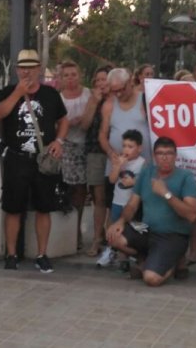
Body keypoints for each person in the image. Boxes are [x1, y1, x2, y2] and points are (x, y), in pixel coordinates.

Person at [0, 49, 69, 272]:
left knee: (43, 208)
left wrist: (59, 141)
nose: (27, 71)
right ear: (17, 70)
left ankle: (42, 253)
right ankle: (11, 254)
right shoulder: (8, 91)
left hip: (42, 159)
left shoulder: (50, 94)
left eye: (31, 67)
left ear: (39, 69)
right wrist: (18, 93)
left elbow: (63, 119)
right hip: (17, 159)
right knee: (13, 208)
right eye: (22, 67)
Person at [105, 137, 196, 286]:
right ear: (154, 156)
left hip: (173, 234)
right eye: (160, 153)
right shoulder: (147, 172)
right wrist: (121, 221)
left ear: (175, 156)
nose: (164, 157)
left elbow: (192, 215)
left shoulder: (185, 176)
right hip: (147, 230)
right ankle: (147, 259)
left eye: (169, 153)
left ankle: (169, 263)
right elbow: (132, 204)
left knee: (151, 279)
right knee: (113, 236)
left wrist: (166, 194)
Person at [99, 129, 147, 268]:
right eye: (124, 145)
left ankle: (128, 257)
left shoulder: (142, 163)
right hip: (117, 202)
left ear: (139, 148)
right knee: (114, 227)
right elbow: (113, 180)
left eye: (130, 147)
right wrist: (118, 166)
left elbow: (145, 183)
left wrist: (134, 183)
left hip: (132, 205)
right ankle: (112, 252)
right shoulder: (118, 160)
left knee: (130, 229)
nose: (126, 149)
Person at [56, 61, 91, 251]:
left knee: (82, 190)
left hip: (85, 145)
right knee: (68, 188)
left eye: (74, 74)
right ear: (61, 78)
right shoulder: (59, 98)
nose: (70, 78)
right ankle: (68, 232)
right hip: (67, 145)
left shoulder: (88, 94)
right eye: (66, 75)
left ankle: (77, 229)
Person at [80, 66, 111, 257]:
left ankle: (111, 237)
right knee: (98, 198)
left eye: (104, 80)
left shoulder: (118, 101)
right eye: (98, 80)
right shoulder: (93, 100)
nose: (101, 84)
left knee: (114, 198)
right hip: (95, 152)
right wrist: (94, 103)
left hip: (115, 153)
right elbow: (84, 125)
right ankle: (97, 238)